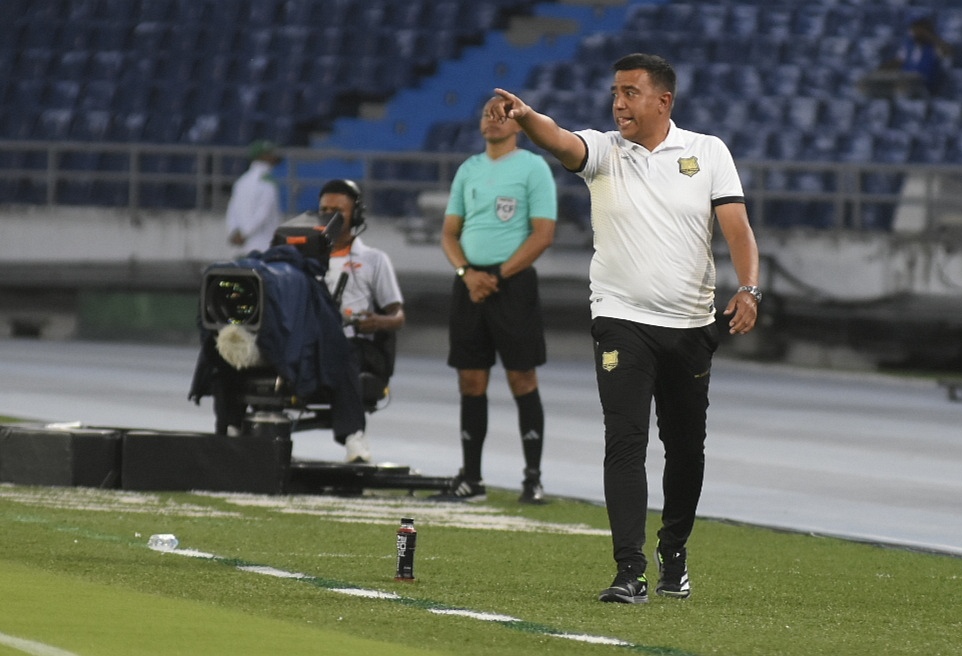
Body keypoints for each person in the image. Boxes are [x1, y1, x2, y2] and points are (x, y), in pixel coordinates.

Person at [490, 52, 761, 603]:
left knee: (686, 449)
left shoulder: (708, 153)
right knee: (625, 441)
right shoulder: (604, 151)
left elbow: (737, 228)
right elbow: (561, 140)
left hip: (690, 325)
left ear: (663, 101)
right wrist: (527, 116)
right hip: (621, 321)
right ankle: (629, 569)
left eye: (630, 93)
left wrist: (750, 288)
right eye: (615, 92)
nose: (618, 103)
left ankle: (674, 549)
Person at [433, 97, 558, 504]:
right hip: (469, 284)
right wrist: (467, 274)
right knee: (470, 379)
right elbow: (449, 233)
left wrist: (498, 275)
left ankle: (533, 478)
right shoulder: (468, 169)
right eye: (486, 112)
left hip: (513, 285)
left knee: (522, 378)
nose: (492, 118)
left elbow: (542, 234)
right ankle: (472, 478)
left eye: (501, 113)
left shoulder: (533, 168)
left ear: (518, 123)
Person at [319, 179, 406, 462]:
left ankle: (354, 435)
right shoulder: (300, 256)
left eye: (338, 210)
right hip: (312, 342)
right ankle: (230, 429)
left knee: (345, 350)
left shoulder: (373, 260)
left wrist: (378, 321)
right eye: (324, 209)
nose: (329, 216)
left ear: (355, 215)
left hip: (356, 344)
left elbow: (398, 315)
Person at [858, 15, 952, 99]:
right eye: (913, 29)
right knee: (868, 81)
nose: (914, 32)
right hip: (903, 77)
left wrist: (930, 36)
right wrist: (880, 70)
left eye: (918, 28)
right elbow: (898, 60)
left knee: (904, 83)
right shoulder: (909, 45)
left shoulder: (933, 47)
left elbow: (948, 52)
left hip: (923, 82)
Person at [226, 140, 283, 255]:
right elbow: (263, 212)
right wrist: (245, 233)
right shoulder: (267, 181)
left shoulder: (242, 180)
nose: (274, 156)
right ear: (263, 156)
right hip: (263, 245)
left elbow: (232, 210)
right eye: (270, 153)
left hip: (242, 245)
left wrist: (234, 232)